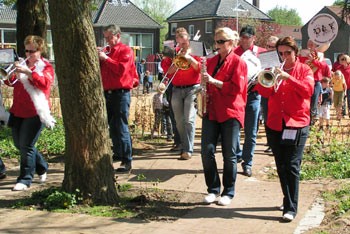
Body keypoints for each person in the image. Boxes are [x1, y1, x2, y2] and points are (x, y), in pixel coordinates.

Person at [255, 36, 314, 222]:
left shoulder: (304, 69)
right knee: (281, 165)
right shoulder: (273, 69)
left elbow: (308, 91)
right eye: (280, 53)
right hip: (275, 122)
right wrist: (268, 79)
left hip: (296, 122)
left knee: (292, 165)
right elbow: (263, 92)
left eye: (287, 53)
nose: (284, 56)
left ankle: (291, 207)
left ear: (295, 52)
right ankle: (287, 199)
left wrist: (289, 77)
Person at [201, 27, 247, 206]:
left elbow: (236, 89)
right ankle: (212, 189)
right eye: (216, 41)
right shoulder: (211, 62)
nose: (217, 45)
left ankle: (228, 191)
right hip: (212, 110)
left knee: (230, 154)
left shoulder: (239, 63)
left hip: (230, 111)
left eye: (221, 41)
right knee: (206, 151)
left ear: (231, 43)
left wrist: (213, 81)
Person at [5, 35, 54, 191]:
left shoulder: (45, 67)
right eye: (26, 51)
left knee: (26, 145)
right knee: (20, 145)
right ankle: (42, 167)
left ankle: (25, 179)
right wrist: (11, 71)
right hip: (17, 110)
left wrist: (29, 73)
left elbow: (45, 83)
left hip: (35, 111)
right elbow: (8, 81)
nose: (28, 54)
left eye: (32, 51)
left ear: (40, 50)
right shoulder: (22, 64)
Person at [98, 24, 136, 173]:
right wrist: (100, 58)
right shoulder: (107, 51)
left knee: (121, 127)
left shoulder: (125, 50)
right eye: (105, 38)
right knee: (111, 127)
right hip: (107, 93)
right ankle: (118, 153)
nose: (107, 41)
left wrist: (105, 59)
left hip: (121, 93)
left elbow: (121, 70)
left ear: (118, 36)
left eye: (109, 37)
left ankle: (127, 161)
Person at [161, 27, 201, 160]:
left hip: (193, 88)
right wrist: (176, 61)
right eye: (180, 42)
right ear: (176, 41)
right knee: (178, 121)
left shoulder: (196, 50)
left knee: (189, 119)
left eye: (184, 42)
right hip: (177, 88)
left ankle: (188, 149)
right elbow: (168, 71)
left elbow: (200, 68)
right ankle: (185, 145)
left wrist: (190, 59)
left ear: (188, 40)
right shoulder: (173, 53)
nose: (182, 45)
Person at [234, 25, 266, 177]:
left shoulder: (262, 53)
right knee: (233, 130)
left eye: (248, 37)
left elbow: (269, 72)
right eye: (243, 37)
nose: (245, 40)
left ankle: (248, 163)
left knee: (251, 131)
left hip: (253, 94)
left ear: (254, 38)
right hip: (236, 95)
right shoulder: (234, 52)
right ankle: (238, 154)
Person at [299, 39, 324, 125]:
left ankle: (311, 122)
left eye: (312, 43)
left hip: (315, 81)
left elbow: (322, 67)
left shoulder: (320, 55)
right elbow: (298, 65)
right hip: (304, 81)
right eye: (308, 43)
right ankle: (305, 122)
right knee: (304, 102)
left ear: (316, 45)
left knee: (313, 103)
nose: (310, 45)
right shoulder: (302, 53)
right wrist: (305, 63)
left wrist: (313, 60)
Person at [262, 35, 279, 154]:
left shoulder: (281, 58)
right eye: (268, 46)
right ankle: (270, 143)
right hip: (266, 90)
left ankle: (277, 143)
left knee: (276, 118)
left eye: (272, 47)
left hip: (278, 92)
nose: (269, 49)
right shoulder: (263, 57)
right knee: (267, 118)